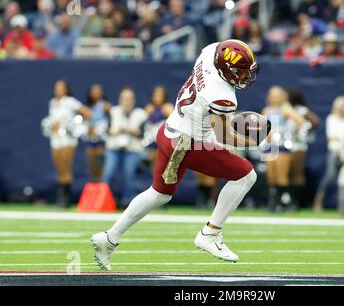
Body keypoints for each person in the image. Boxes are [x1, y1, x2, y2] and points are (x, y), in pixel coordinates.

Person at [91, 40, 260, 270]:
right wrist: (253, 141)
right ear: (226, 70)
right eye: (240, 73)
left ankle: (108, 238)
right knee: (246, 175)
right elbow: (222, 135)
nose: (244, 78)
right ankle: (210, 233)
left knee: (160, 194)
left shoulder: (211, 52)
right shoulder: (222, 94)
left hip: (170, 130)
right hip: (187, 143)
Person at [43, 80, 91, 208]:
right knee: (59, 169)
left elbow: (87, 113)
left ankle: (66, 200)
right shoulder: (52, 102)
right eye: (56, 87)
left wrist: (75, 126)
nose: (58, 89)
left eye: (61, 87)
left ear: (66, 89)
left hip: (67, 139)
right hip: (55, 138)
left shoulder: (70, 101)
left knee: (66, 168)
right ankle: (60, 198)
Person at [101, 87, 148, 208]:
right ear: (120, 99)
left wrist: (134, 132)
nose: (127, 101)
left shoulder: (141, 114)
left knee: (129, 175)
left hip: (133, 149)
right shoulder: (113, 111)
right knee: (108, 173)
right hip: (114, 148)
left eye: (129, 99)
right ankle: (104, 200)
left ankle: (127, 202)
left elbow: (145, 133)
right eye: (124, 99)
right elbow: (106, 130)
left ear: (133, 100)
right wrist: (115, 131)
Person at [261, 86, 305, 212]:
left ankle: (285, 202)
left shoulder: (285, 109)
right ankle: (273, 203)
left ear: (282, 96)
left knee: (281, 176)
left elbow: (300, 121)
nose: (275, 98)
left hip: (281, 146)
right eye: (272, 95)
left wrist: (286, 132)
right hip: (269, 146)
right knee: (271, 176)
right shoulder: (266, 110)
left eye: (277, 95)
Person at [313, 95, 344, 211]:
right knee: (330, 177)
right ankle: (318, 199)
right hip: (334, 152)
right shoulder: (331, 118)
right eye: (341, 106)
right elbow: (331, 138)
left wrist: (342, 142)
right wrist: (342, 141)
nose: (342, 108)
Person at [287, 88, 320, 209]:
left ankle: (296, 202)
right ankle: (288, 200)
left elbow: (315, 122)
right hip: (285, 144)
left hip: (298, 145)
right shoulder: (286, 110)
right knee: (287, 174)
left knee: (297, 174)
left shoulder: (302, 110)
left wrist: (304, 131)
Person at [85, 84, 111, 182]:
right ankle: (94, 190)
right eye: (93, 91)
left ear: (102, 93)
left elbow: (114, 118)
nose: (96, 93)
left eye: (98, 91)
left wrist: (107, 129)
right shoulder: (87, 107)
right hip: (91, 141)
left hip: (102, 143)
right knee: (92, 168)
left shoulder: (105, 106)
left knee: (101, 168)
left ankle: (102, 190)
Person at [144, 85, 174, 167]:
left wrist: (168, 113)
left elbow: (174, 123)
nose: (158, 98)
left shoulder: (168, 107)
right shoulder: (149, 108)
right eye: (156, 95)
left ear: (164, 97)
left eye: (160, 96)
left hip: (164, 141)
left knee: (163, 167)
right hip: (152, 141)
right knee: (154, 167)